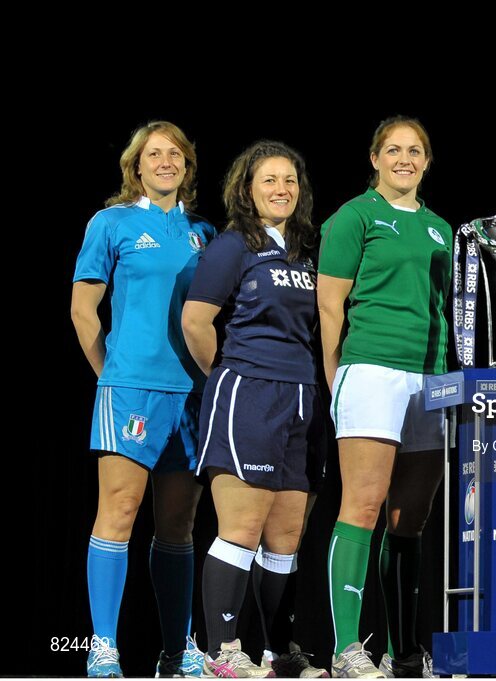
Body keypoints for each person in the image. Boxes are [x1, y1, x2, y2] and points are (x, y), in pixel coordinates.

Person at [71, 121, 215, 678]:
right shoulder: (111, 223)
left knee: (178, 524)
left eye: (175, 153)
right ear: (136, 164)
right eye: (155, 153)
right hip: (131, 389)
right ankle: (103, 645)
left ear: (186, 165)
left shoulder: (204, 232)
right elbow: (83, 311)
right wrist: (111, 376)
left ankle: (176, 652)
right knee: (121, 512)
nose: (166, 161)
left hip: (193, 393)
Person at [181, 141, 326, 678]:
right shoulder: (232, 246)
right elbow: (196, 321)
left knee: (285, 537)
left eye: (289, 180)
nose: (281, 189)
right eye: (269, 180)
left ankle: (279, 652)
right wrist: (228, 374)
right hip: (248, 392)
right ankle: (224, 651)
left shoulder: (304, 251)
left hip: (302, 398)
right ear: (247, 189)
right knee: (240, 528)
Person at [318, 116, 451, 679]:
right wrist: (337, 379)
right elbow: (329, 308)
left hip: (432, 379)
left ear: (426, 160)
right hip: (371, 369)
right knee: (364, 506)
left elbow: (447, 311)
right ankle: (348, 648)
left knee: (410, 518)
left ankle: (406, 654)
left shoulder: (443, 229)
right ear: (374, 158)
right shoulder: (354, 217)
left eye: (414, 150)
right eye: (393, 150)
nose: (404, 159)